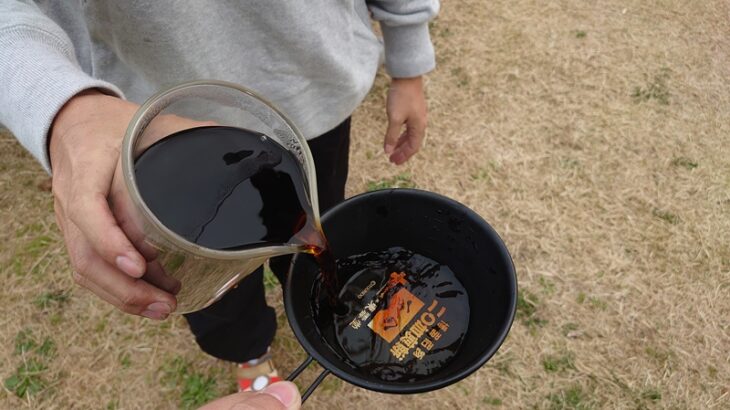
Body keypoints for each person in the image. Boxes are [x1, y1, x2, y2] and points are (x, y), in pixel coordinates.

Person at [0, 0, 439, 397]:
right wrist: (62, 107)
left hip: (312, 103)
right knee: (210, 287)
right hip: (155, 135)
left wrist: (408, 60)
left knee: (311, 237)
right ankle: (247, 350)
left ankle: (321, 300)